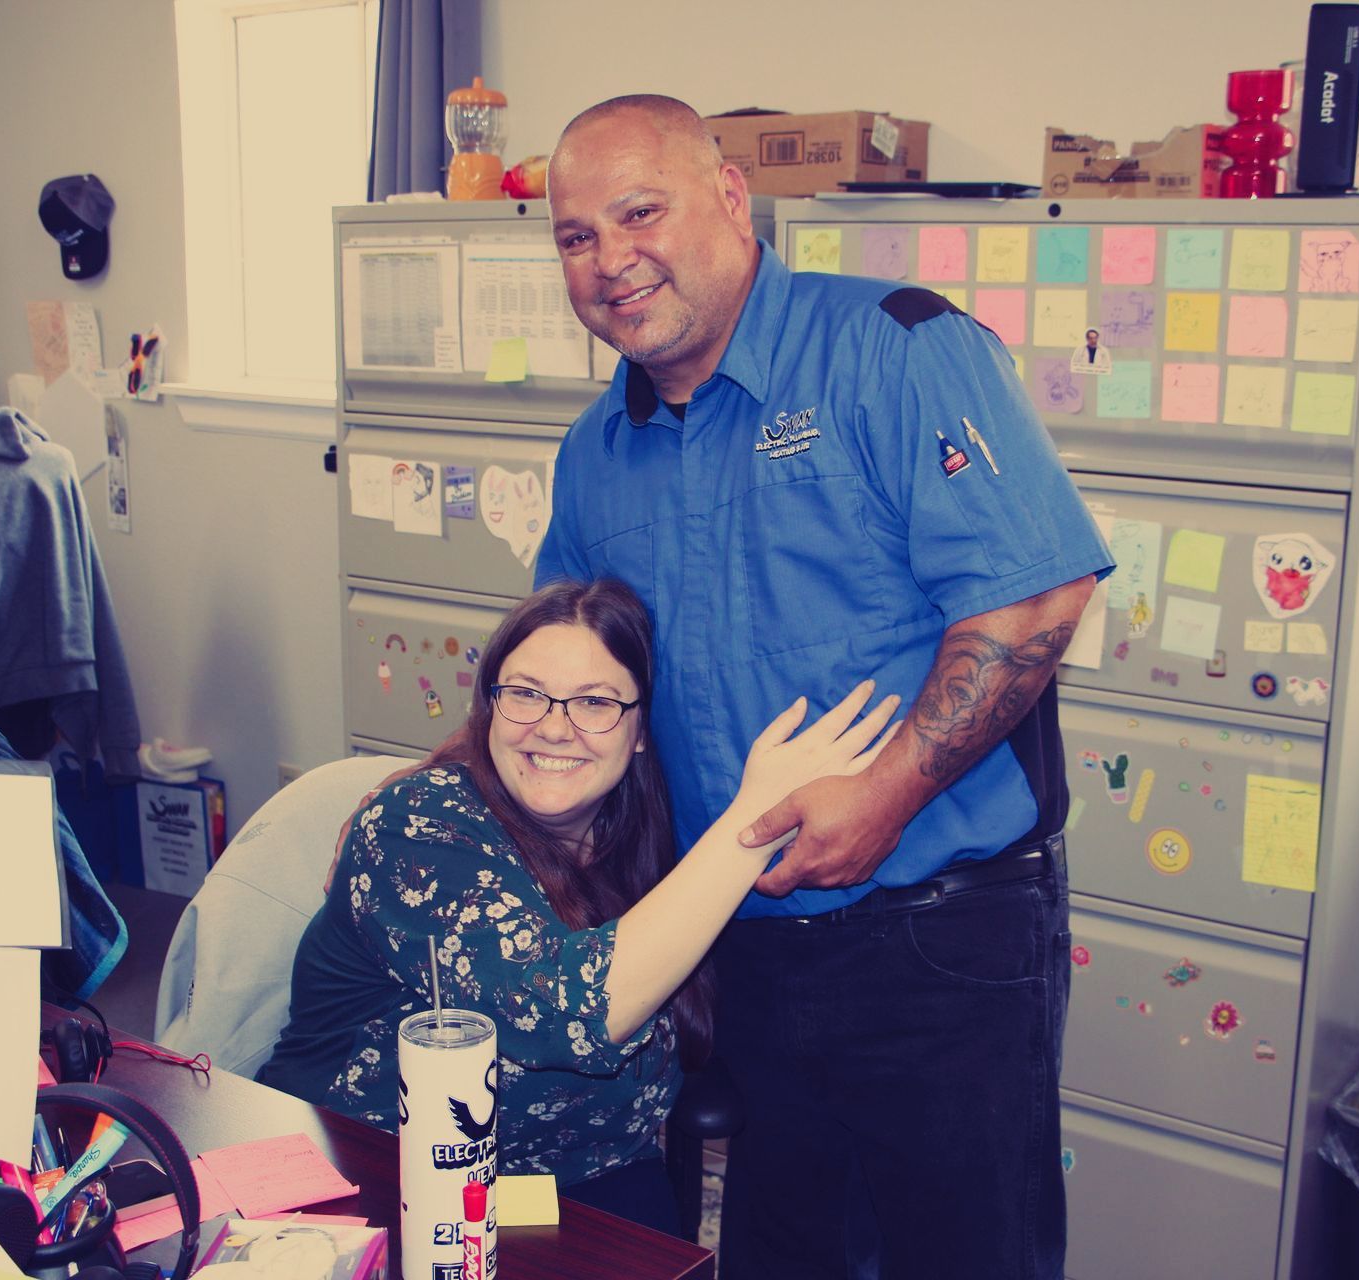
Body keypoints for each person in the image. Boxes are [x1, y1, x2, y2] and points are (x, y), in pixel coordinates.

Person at [540, 95, 1114, 1279]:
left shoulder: (895, 349)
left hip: (937, 939)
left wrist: (889, 791)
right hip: (736, 949)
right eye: (575, 236)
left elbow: (1037, 598)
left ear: (733, 201)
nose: (609, 260)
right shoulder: (598, 447)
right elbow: (566, 669)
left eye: (639, 212)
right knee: (780, 1254)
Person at [261, 578, 895, 1234]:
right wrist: (751, 825)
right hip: (370, 1173)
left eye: (595, 702)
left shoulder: (649, 835)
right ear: (490, 706)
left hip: (578, 1181)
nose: (554, 728)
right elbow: (568, 1010)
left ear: (642, 729)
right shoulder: (418, 827)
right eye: (526, 694)